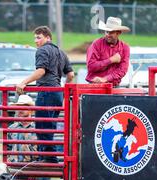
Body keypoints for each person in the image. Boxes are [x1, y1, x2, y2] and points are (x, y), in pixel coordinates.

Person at [16, 26, 74, 163]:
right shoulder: (61, 52)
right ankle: (47, 156)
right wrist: (63, 90)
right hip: (57, 92)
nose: (36, 41)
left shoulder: (42, 50)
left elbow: (41, 71)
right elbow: (70, 75)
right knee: (50, 127)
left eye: (39, 37)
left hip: (46, 91)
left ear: (48, 37)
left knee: (42, 127)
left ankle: (49, 158)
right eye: (35, 38)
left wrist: (23, 82)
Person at [86, 16, 130, 87]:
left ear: (118, 33)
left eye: (111, 32)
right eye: (106, 31)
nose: (107, 34)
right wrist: (111, 60)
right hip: (95, 86)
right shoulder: (96, 44)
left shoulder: (125, 48)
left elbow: (122, 70)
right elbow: (91, 66)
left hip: (114, 86)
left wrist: (105, 79)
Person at [7, 94, 37, 164]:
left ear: (31, 110)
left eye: (24, 106)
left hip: (32, 167)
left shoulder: (37, 128)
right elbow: (7, 148)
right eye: (19, 107)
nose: (20, 109)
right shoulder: (11, 128)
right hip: (13, 166)